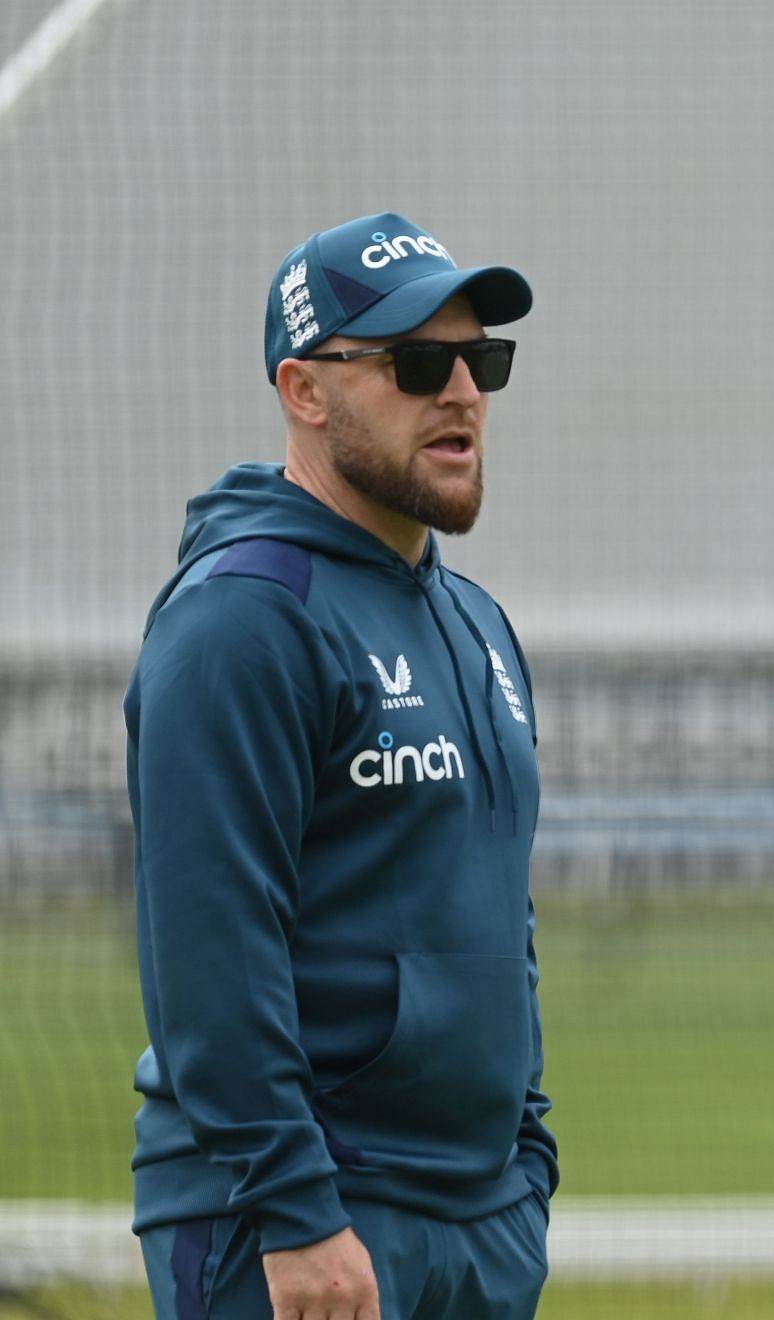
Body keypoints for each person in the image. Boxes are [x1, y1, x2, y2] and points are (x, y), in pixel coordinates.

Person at [126, 212, 556, 1319]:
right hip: (303, 1230)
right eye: (418, 361)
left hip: (478, 1226)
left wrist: (525, 1165)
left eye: (480, 359)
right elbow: (208, 952)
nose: (461, 390)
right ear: (304, 391)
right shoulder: (243, 621)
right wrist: (298, 1212)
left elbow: (500, 919)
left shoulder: (476, 621)